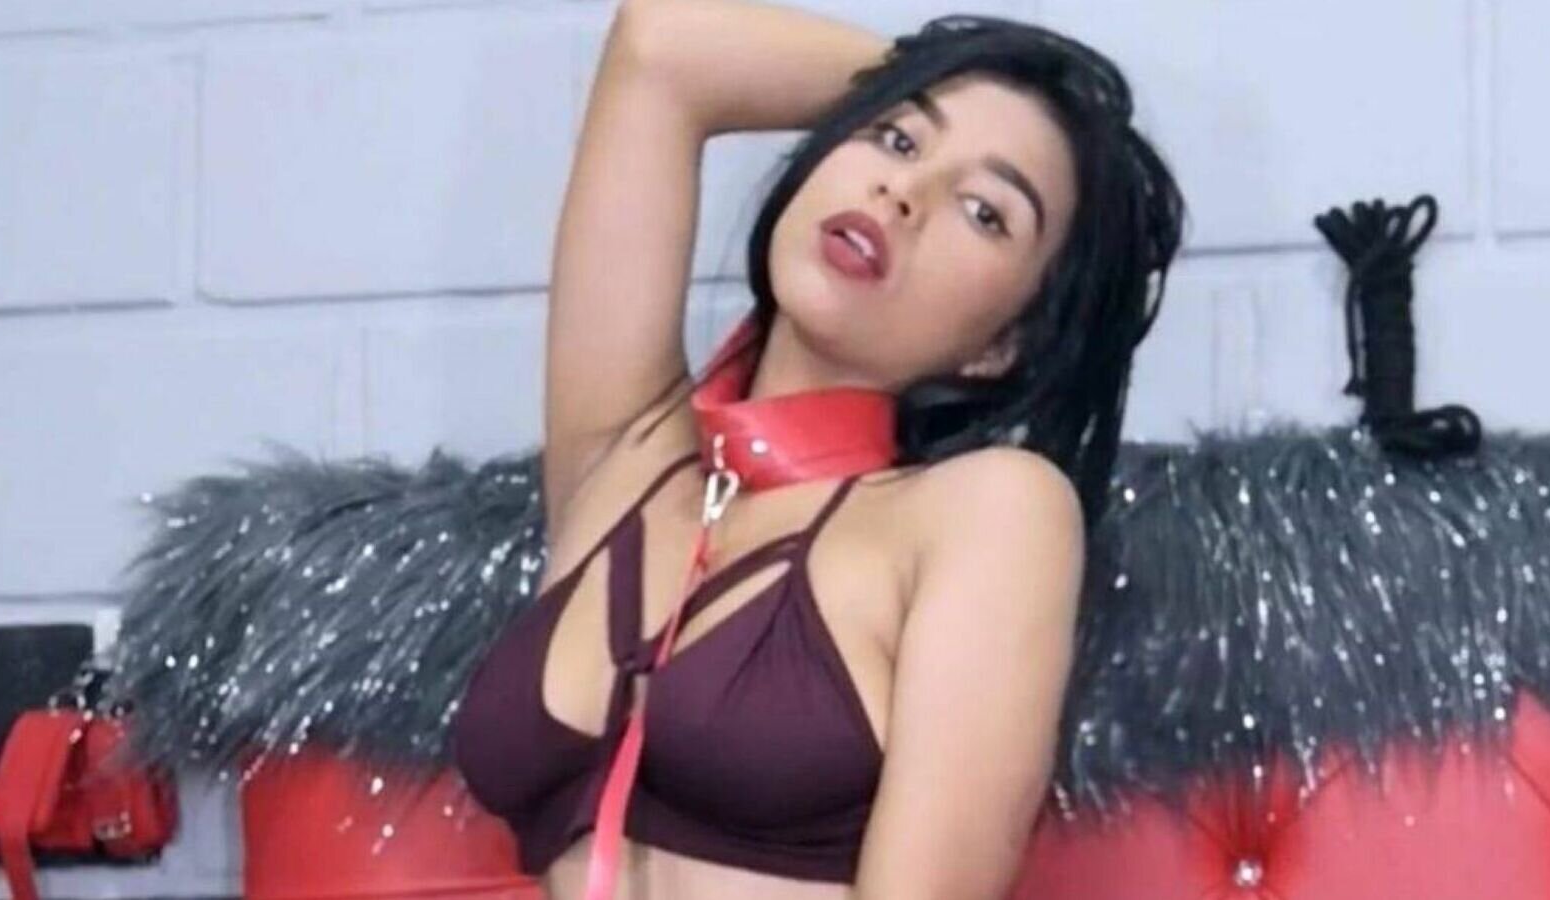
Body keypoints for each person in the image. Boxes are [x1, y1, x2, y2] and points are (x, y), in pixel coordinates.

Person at [452, 0, 1185, 897]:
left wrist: (923, 103)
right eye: (897, 139)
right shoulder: (630, 453)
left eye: (984, 211)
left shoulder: (992, 511)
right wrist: (933, 73)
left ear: (1003, 346)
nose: (903, 192)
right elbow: (659, 47)